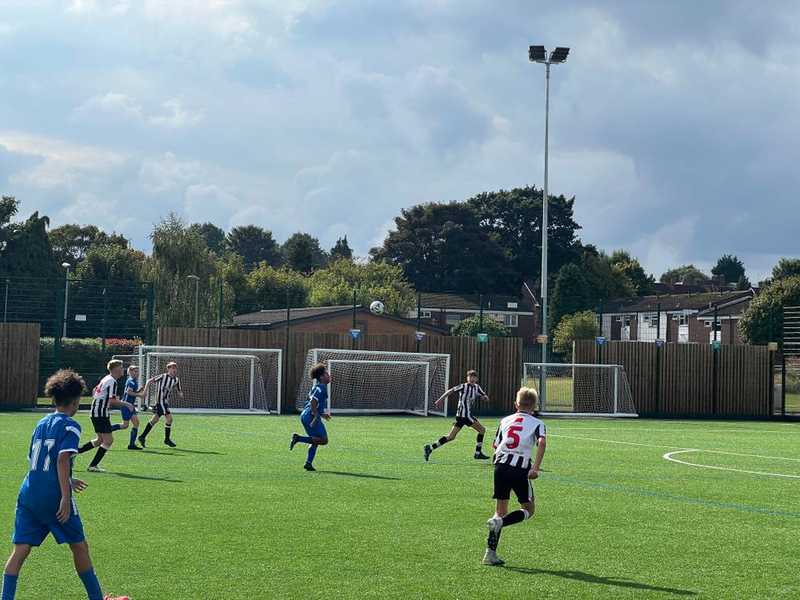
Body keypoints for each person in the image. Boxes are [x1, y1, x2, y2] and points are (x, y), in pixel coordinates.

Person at [1, 369, 127, 600]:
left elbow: (37, 461)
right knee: (79, 546)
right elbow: (61, 458)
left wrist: (68, 478)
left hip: (29, 493)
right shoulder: (70, 425)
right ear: (77, 400)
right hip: (53, 496)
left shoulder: (41, 423)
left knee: (20, 551)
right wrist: (65, 495)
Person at [482, 387, 547, 566]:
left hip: (500, 467)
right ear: (534, 406)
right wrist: (535, 468)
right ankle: (501, 523)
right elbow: (542, 442)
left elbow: (495, 445)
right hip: (520, 469)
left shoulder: (505, 420)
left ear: (515, 404)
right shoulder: (537, 423)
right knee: (529, 509)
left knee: (499, 510)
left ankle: (490, 554)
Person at [77, 360, 135, 472]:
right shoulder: (112, 381)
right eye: (121, 367)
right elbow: (112, 400)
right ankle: (92, 466)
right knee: (108, 440)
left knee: (100, 440)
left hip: (96, 412)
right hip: (100, 413)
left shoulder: (106, 378)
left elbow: (95, 391)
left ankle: (74, 453)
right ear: (116, 369)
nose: (123, 369)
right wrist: (127, 404)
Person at [424, 370, 490, 461]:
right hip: (464, 416)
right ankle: (478, 453)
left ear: (476, 379)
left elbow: (485, 397)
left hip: (464, 416)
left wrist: (485, 398)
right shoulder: (463, 386)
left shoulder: (477, 388)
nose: (472, 379)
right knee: (482, 430)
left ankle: (430, 448)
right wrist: (440, 400)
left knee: (451, 437)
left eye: (474, 377)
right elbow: (450, 391)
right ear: (467, 378)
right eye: (470, 377)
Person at [289, 363, 331, 472]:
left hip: (307, 415)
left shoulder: (317, 387)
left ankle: (308, 463)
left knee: (315, 440)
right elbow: (313, 402)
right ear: (321, 377)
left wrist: (321, 414)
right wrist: (316, 415)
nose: (328, 375)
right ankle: (298, 438)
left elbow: (313, 404)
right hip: (310, 416)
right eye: (326, 373)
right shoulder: (321, 388)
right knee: (323, 440)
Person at [138, 362, 182, 448]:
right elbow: (149, 381)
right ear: (168, 369)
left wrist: (180, 393)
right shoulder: (163, 376)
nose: (174, 369)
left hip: (165, 402)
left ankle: (142, 437)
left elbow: (178, 388)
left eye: (175, 368)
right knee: (169, 419)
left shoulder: (176, 380)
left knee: (154, 420)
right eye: (172, 368)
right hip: (160, 401)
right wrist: (145, 391)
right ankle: (167, 439)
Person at [111, 365, 146, 450]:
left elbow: (131, 392)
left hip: (130, 406)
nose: (137, 373)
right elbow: (129, 392)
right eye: (135, 371)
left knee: (136, 423)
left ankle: (131, 445)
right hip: (126, 405)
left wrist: (139, 391)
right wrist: (139, 395)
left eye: (137, 371)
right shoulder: (131, 381)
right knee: (125, 425)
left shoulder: (134, 381)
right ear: (130, 372)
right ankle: (107, 429)